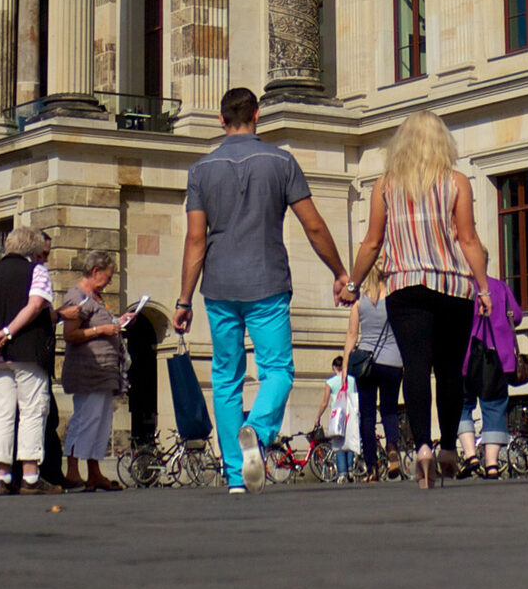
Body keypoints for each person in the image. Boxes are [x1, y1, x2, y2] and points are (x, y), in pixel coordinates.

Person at [173, 86, 352, 494]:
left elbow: (195, 239)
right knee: (278, 371)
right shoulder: (281, 161)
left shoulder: (201, 170)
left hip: (218, 286)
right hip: (267, 281)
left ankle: (237, 476)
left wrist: (184, 299)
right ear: (258, 115)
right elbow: (314, 225)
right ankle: (257, 428)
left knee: (226, 378)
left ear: (221, 120)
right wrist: (339, 271)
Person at [349, 111, 492, 490]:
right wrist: (484, 287)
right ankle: (448, 447)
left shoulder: (385, 187)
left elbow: (372, 241)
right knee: (448, 369)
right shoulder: (457, 183)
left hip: (405, 286)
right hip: (452, 286)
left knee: (414, 365)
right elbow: (468, 239)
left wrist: (352, 282)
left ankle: (423, 448)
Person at [0, 225, 59, 494]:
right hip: (28, 350)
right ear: (33, 249)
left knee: (1, 412)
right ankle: (30, 477)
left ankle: (2, 477)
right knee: (32, 409)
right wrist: (8, 333)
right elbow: (35, 305)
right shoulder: (37, 271)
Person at [58, 250, 131, 491]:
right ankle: (73, 471)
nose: (110, 281)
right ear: (95, 271)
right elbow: (70, 334)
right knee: (85, 419)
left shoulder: (96, 297)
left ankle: (94, 472)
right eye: (108, 276)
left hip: (103, 371)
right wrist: (101, 331)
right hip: (87, 371)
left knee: (100, 422)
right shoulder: (77, 297)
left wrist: (119, 322)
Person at [455, 270, 524, 480]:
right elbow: (517, 316)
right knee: (494, 407)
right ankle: (492, 465)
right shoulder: (501, 287)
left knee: (461, 405)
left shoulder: (460, 287)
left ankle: (470, 455)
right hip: (498, 360)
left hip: (465, 357)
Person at [342, 268, 404, 479]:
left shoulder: (359, 300)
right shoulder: (395, 297)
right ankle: (392, 446)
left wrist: (344, 367)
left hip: (366, 363)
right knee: (390, 410)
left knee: (367, 415)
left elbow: (352, 334)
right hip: (393, 362)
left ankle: (372, 467)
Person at [311, 356, 358, 480]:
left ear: (333, 367)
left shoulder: (330, 382)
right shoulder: (352, 380)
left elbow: (325, 402)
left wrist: (318, 416)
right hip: (350, 413)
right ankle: (350, 469)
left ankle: (342, 472)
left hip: (337, 415)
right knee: (350, 440)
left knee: (338, 442)